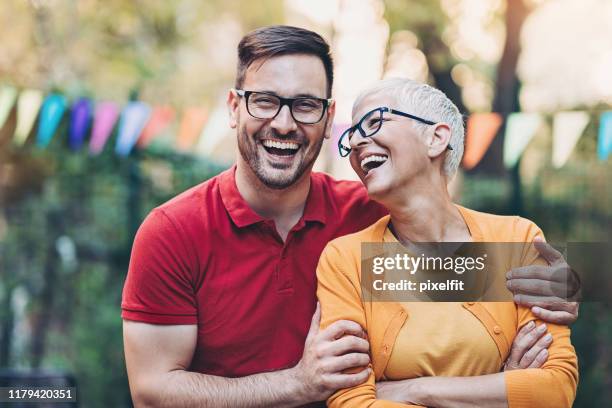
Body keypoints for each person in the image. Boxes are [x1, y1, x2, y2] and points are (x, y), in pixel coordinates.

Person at [121, 26, 579, 407]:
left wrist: (563, 286)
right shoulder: (173, 231)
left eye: (305, 105)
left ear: (326, 118)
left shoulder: (374, 213)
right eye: (264, 100)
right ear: (234, 108)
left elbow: (479, 281)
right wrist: (299, 383)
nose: (284, 123)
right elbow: (152, 391)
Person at [316, 78, 578, 407]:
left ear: (436, 138)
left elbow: (555, 390)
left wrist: (415, 390)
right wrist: (501, 386)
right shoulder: (344, 259)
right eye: (351, 133)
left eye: (374, 121)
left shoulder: (517, 238)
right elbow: (351, 402)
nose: (355, 142)